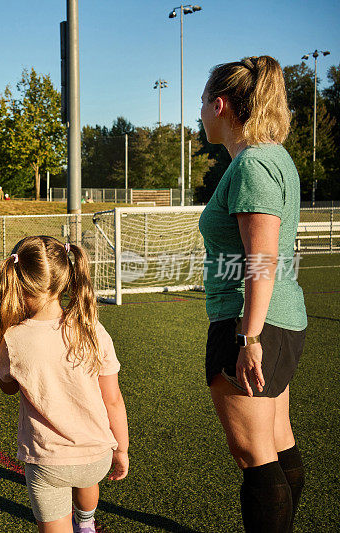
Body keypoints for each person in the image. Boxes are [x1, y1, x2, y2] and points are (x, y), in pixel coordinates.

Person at [198, 56, 307, 532]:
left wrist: (247, 339)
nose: (200, 112)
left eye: (202, 102)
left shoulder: (254, 164)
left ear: (220, 105)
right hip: (278, 318)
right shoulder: (271, 156)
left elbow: (261, 260)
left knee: (254, 455)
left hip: (253, 322)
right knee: (277, 442)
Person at [0, 236, 129, 533]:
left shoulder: (12, 338)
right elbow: (113, 399)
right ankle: (86, 524)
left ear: (17, 281)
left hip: (49, 460)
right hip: (97, 456)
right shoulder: (93, 330)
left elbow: (8, 386)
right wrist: (122, 449)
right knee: (87, 482)